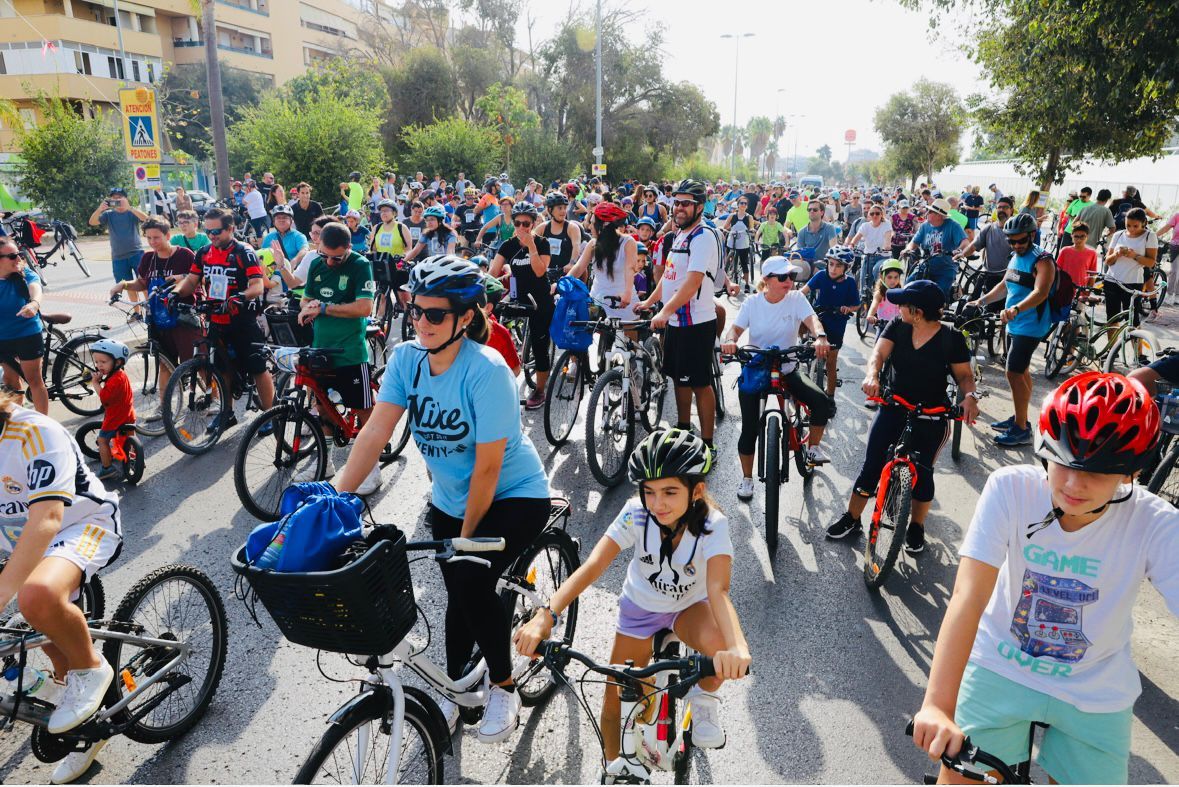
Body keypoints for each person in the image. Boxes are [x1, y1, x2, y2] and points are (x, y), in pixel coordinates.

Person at [911, 372, 1179, 786]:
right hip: (1002, 663)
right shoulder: (1011, 489)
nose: (1074, 484)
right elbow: (968, 595)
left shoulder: (1156, 523)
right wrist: (938, 706)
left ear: (1130, 473)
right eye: (1063, 462)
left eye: (1099, 472)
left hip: (1096, 685)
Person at [334, 256, 550, 743]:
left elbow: (490, 468)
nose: (421, 323)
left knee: (472, 579)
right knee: (457, 592)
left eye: (435, 314)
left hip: (513, 494)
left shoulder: (487, 370)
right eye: (416, 311)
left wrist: (467, 538)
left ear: (466, 317)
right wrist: (334, 497)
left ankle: (503, 685)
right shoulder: (408, 359)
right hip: (453, 496)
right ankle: (458, 690)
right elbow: (374, 434)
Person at [514, 428, 750, 756]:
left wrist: (737, 649)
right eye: (649, 492)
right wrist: (546, 615)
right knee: (616, 711)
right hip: (640, 610)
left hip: (688, 609)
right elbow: (593, 567)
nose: (657, 504)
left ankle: (704, 699)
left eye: (669, 492)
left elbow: (718, 591)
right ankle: (614, 771)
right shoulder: (636, 514)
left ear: (696, 490)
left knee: (721, 648)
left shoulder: (713, 524)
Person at [826, 280, 979, 553]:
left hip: (932, 415)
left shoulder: (951, 338)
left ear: (917, 311)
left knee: (924, 474)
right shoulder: (897, 326)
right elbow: (878, 354)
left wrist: (970, 398)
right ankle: (852, 518)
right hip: (894, 404)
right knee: (872, 466)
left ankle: (916, 526)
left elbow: (965, 377)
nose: (897, 307)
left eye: (902, 304)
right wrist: (872, 375)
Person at [721, 257, 835, 497]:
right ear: (766, 280)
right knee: (749, 429)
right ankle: (746, 479)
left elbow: (812, 320)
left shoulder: (796, 299)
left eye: (791, 276)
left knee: (821, 402)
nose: (789, 281)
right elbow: (736, 329)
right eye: (782, 277)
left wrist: (820, 336)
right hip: (757, 369)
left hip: (788, 367)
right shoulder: (752, 303)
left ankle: (813, 447)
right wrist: (730, 340)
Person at [296, 221, 382, 494]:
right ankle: (326, 461)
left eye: (337, 257)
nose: (330, 262)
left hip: (350, 352)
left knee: (363, 410)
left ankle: (372, 467)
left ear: (348, 248)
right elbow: (306, 298)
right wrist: (308, 306)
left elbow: (364, 307)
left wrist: (324, 308)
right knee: (323, 407)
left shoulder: (359, 265)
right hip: (321, 347)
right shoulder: (318, 265)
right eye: (325, 255)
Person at [171, 207, 276, 428]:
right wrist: (175, 293)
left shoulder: (244, 252)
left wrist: (240, 296)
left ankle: (271, 415)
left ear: (231, 228)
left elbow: (257, 286)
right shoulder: (204, 252)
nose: (211, 236)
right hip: (216, 319)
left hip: (242, 320)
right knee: (221, 370)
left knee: (258, 369)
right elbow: (191, 280)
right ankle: (227, 413)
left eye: (216, 231)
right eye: (207, 231)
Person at [637, 180, 721, 448]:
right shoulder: (681, 234)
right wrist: (650, 302)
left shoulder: (703, 236)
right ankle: (684, 428)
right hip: (676, 321)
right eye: (677, 203)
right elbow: (670, 276)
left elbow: (692, 281)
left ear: (699, 207)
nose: (679, 208)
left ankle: (708, 443)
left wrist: (665, 310)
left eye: (686, 203)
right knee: (679, 378)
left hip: (696, 322)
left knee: (699, 383)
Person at [968, 213, 1055, 448]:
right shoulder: (1016, 257)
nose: (1016, 245)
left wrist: (1016, 308)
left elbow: (1041, 292)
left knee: (1013, 372)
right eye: (1012, 241)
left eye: (1021, 241)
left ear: (1032, 236)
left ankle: (1021, 429)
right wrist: (981, 301)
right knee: (1021, 371)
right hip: (1016, 323)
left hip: (1032, 325)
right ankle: (1021, 419)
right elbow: (1005, 285)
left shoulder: (1043, 260)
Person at [111, 218, 200, 404]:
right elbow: (143, 282)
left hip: (183, 318)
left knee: (195, 362)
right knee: (164, 364)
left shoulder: (185, 255)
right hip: (158, 319)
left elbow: (198, 279)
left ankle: (214, 399)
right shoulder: (148, 258)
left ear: (168, 235)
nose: (152, 242)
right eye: (149, 238)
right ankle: (164, 406)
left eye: (157, 237)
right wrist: (124, 284)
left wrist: (180, 278)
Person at [490, 202, 552, 409]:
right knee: (491, 323)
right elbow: (493, 272)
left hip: (540, 299)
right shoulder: (507, 245)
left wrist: (531, 246)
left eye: (527, 224)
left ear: (533, 224)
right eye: (518, 223)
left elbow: (540, 272)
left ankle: (540, 389)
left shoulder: (542, 243)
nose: (522, 228)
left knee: (540, 345)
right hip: (517, 295)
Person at [801, 246, 861, 403]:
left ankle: (830, 396)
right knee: (804, 338)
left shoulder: (850, 283)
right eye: (831, 264)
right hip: (819, 317)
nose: (833, 269)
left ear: (846, 268)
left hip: (837, 322)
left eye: (838, 265)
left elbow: (857, 305)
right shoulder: (821, 275)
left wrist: (848, 308)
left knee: (831, 362)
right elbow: (804, 291)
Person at [0, 237, 49, 414]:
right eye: (13, 256)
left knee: (34, 380)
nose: (19, 259)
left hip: (26, 333)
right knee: (11, 381)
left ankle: (44, 426)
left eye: (20, 254)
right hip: (2, 338)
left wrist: (34, 304)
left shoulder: (23, 273)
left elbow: (35, 287)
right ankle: (16, 423)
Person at [569, 202, 637, 320]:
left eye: (593, 223)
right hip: (597, 302)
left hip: (622, 301)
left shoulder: (628, 242)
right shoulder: (593, 243)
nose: (589, 227)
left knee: (628, 337)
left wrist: (627, 293)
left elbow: (630, 268)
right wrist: (564, 281)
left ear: (604, 225)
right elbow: (579, 267)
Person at [88, 188, 149, 313]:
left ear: (125, 198)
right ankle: (137, 312)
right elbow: (92, 222)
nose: (116, 200)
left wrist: (130, 208)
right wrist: (100, 209)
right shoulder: (108, 215)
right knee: (128, 285)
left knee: (143, 283)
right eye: (114, 198)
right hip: (118, 257)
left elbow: (147, 220)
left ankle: (151, 309)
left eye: (119, 197)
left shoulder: (132, 212)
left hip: (137, 253)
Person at [903, 198, 971, 298]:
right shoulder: (925, 226)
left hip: (946, 268)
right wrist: (907, 249)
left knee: (939, 295)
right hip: (925, 265)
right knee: (908, 286)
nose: (926, 213)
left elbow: (965, 242)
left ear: (938, 215)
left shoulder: (953, 225)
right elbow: (914, 242)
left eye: (930, 211)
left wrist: (959, 250)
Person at [87, 339, 135, 481]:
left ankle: (107, 469)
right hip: (128, 413)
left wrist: (95, 383)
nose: (99, 365)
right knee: (130, 437)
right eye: (97, 362)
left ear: (118, 362)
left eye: (103, 362)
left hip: (115, 417)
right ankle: (136, 459)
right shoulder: (120, 374)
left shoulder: (114, 380)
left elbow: (105, 398)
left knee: (102, 440)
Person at [1103, 207, 1158, 324]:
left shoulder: (1149, 236)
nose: (1131, 229)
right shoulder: (1118, 234)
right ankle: (1113, 343)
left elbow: (1151, 262)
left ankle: (1136, 342)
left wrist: (1134, 255)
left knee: (1132, 321)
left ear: (1144, 223)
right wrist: (1116, 254)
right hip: (1112, 281)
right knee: (1112, 320)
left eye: (1135, 226)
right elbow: (1107, 261)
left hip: (1133, 283)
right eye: (1128, 225)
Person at [956, 196, 1014, 302]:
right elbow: (973, 246)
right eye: (999, 207)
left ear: (1012, 210)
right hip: (987, 274)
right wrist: (962, 254)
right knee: (972, 304)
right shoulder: (988, 228)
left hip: (1008, 278)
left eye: (1005, 207)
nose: (1001, 210)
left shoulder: (1016, 231)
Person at [844, 204, 893, 294]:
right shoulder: (865, 226)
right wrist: (851, 245)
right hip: (868, 256)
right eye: (872, 213)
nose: (874, 215)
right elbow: (856, 237)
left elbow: (887, 237)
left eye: (877, 213)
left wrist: (886, 246)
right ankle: (862, 302)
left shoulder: (886, 224)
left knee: (876, 270)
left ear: (881, 215)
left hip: (882, 256)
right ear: (869, 215)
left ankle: (880, 295)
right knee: (863, 281)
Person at [537, 192, 582, 278]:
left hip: (565, 274)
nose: (563, 211)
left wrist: (571, 263)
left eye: (565, 208)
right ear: (550, 210)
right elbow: (530, 243)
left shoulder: (572, 228)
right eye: (560, 208)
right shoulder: (543, 227)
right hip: (545, 273)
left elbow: (576, 246)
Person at [865, 258, 906, 344]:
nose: (893, 281)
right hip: (883, 326)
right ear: (882, 276)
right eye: (889, 277)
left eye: (896, 277)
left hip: (898, 326)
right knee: (878, 348)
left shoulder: (901, 292)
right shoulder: (880, 293)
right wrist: (870, 315)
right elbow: (874, 305)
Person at [1056, 221, 1098, 292]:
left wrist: (1088, 290)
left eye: (1082, 236)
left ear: (1087, 236)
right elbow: (1057, 271)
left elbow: (1093, 274)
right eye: (1076, 236)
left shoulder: (1092, 253)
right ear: (1071, 236)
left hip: (1081, 291)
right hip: (1063, 289)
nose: (1079, 239)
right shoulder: (1064, 251)